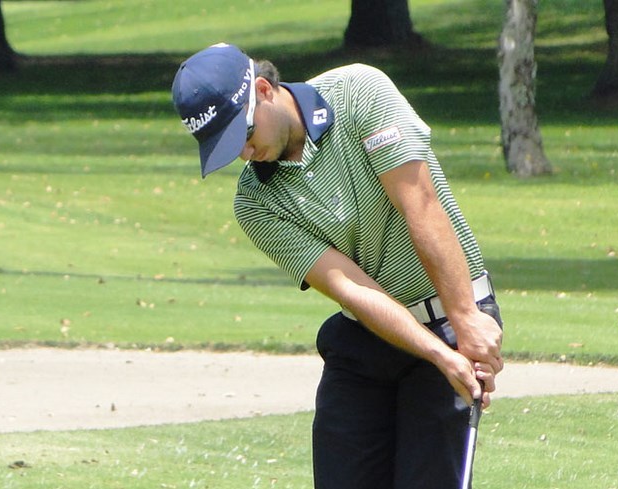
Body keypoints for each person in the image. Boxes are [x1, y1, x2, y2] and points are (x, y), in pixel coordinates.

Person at [171, 43, 504, 489]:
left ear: (265, 90)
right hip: (368, 332)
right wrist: (437, 355)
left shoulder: (357, 91)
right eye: (227, 148)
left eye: (243, 134)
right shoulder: (255, 203)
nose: (244, 153)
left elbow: (420, 204)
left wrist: (464, 320)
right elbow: (351, 287)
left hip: (450, 312)